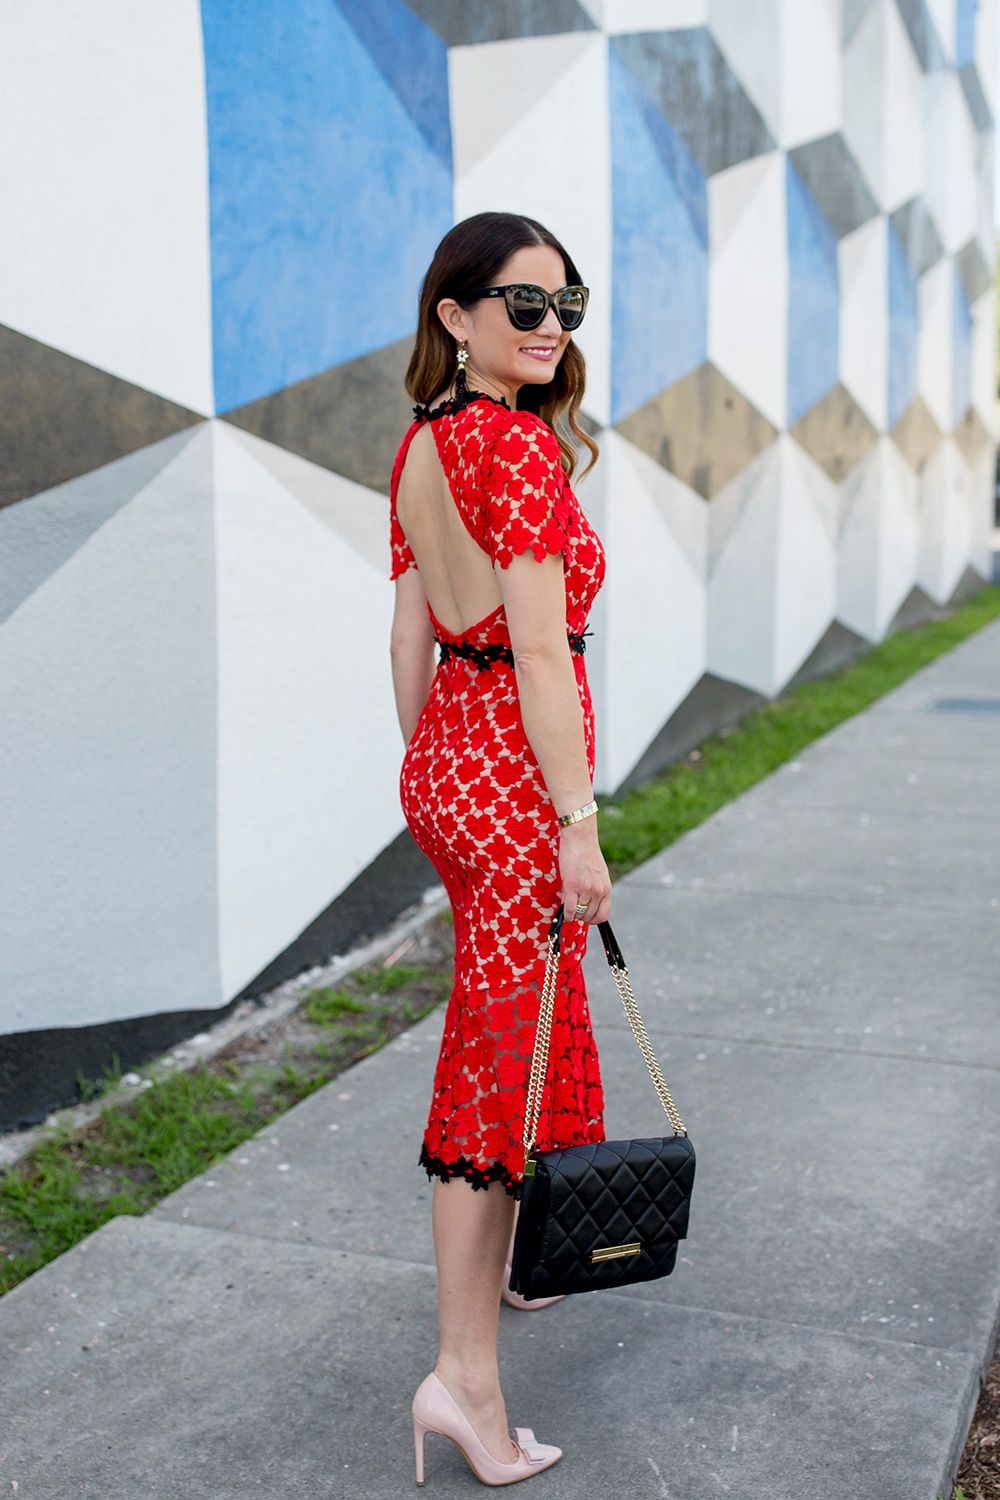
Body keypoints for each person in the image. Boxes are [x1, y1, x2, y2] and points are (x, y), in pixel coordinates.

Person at [389, 211, 611, 1487]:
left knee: (506, 1027)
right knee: (493, 1061)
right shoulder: (519, 454)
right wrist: (572, 823)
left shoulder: (425, 444)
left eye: (562, 305)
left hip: (453, 770)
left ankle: (509, 1284)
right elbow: (537, 650)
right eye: (521, 305)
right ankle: (463, 1382)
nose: (547, 327)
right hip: (516, 782)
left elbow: (410, 642)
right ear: (455, 318)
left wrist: (434, 773)